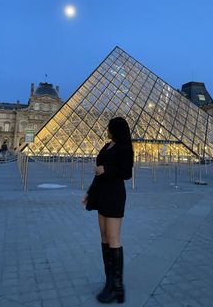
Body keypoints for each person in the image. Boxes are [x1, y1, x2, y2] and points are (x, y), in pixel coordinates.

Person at [82, 117, 134, 304]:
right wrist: (89, 192)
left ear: (116, 129)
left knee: (113, 237)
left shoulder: (124, 147)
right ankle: (109, 282)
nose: (107, 130)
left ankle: (118, 288)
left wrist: (107, 170)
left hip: (114, 195)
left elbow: (126, 173)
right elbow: (99, 171)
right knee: (104, 236)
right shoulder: (107, 146)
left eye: (110, 127)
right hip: (101, 193)